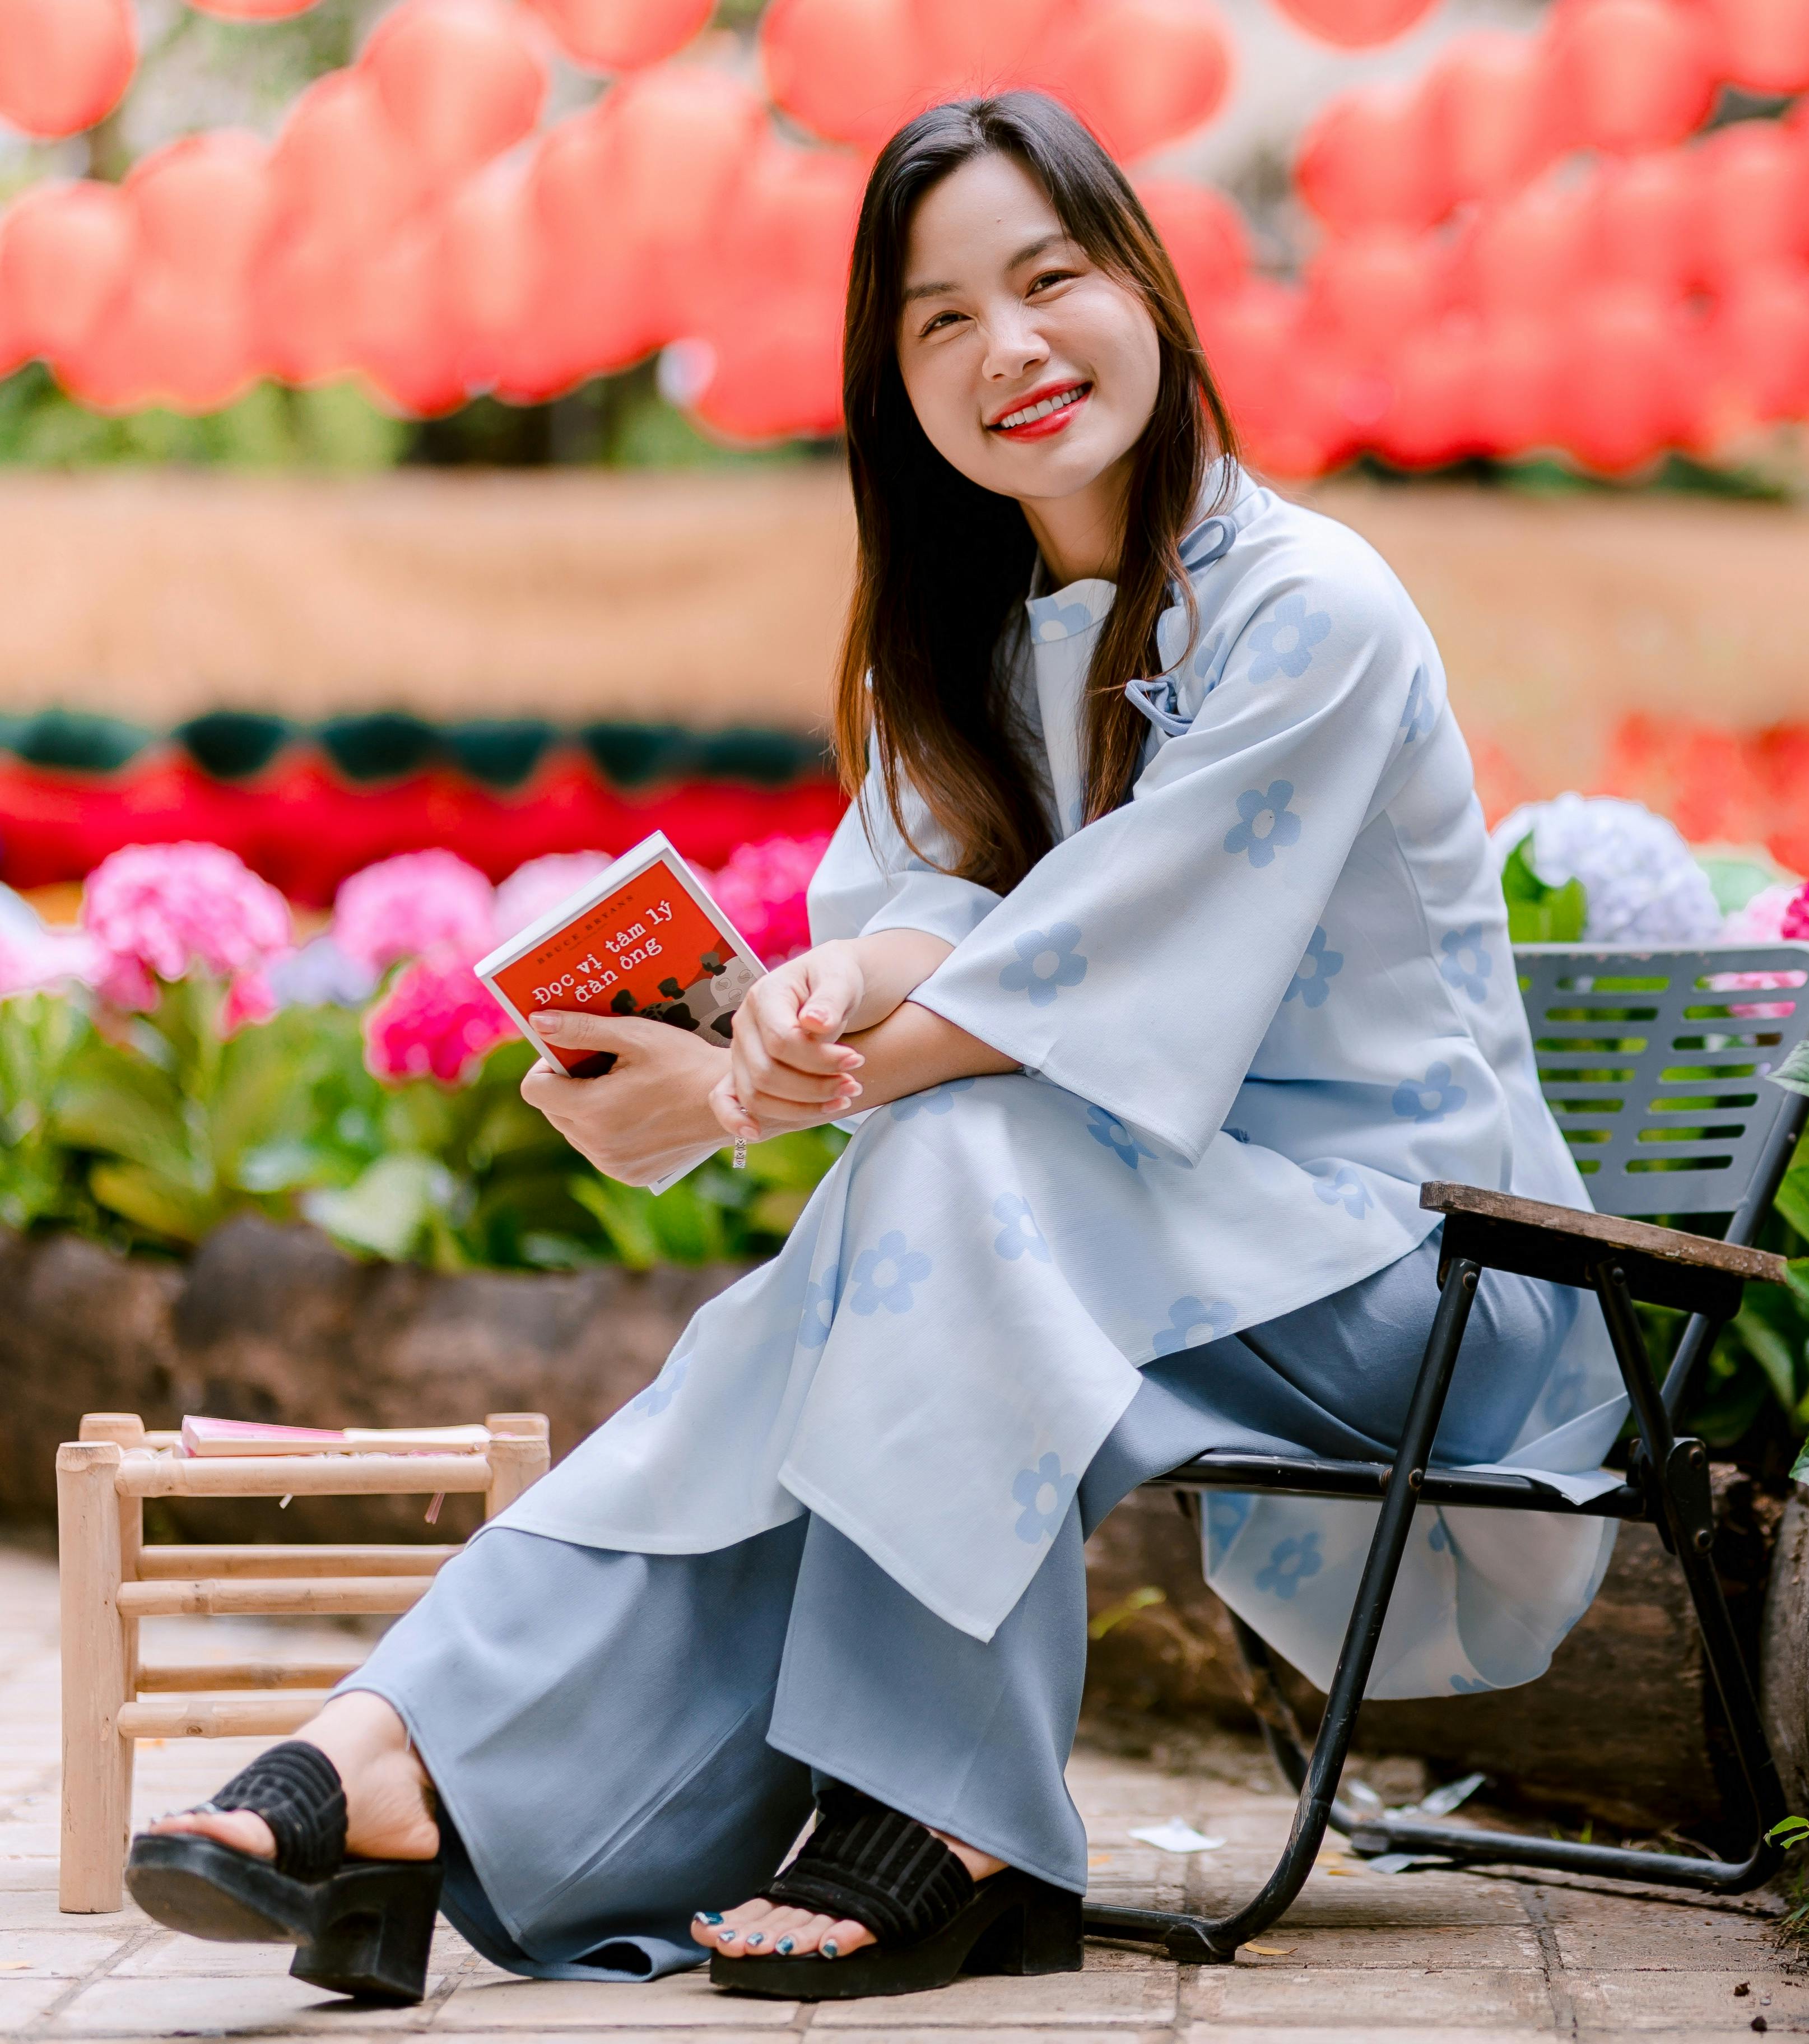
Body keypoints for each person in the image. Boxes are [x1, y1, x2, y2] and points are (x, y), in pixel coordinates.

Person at [125, 91, 1624, 2007]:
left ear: (1147, 288)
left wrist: (746, 1093)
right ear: (895, 387)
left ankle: (575, 1765)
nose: (1009, 349)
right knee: (909, 1224)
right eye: (940, 321)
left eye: (1048, 280)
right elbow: (935, 913)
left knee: (955, 1165)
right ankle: (418, 1754)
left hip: (1427, 1279)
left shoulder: (1310, 612)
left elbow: (1097, 986)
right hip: (1144, 1252)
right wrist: (806, 1002)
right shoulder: (974, 640)